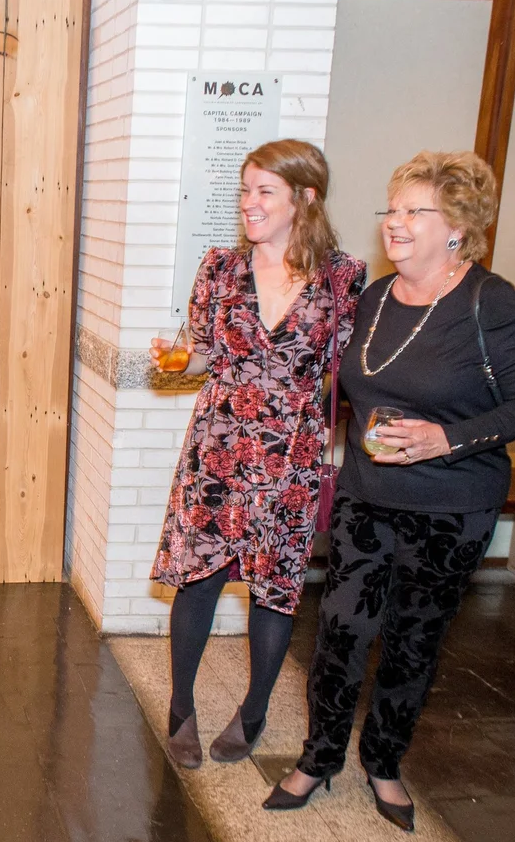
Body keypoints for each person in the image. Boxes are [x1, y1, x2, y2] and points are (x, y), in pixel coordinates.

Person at [264, 151, 515, 831]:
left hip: (451, 510)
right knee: (340, 630)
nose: (393, 222)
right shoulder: (374, 299)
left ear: (457, 227)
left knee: (412, 640)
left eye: (412, 211)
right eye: (390, 209)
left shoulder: (491, 303)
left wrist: (445, 439)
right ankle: (319, 757)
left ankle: (384, 762)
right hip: (366, 497)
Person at [151, 139, 366, 770]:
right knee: (198, 576)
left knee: (275, 587)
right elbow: (200, 355)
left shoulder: (342, 278)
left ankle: (254, 711)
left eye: (264, 191)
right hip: (217, 446)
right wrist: (177, 362)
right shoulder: (219, 268)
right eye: (245, 190)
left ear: (305, 198)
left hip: (289, 454)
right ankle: (181, 709)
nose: (249, 202)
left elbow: (353, 369)